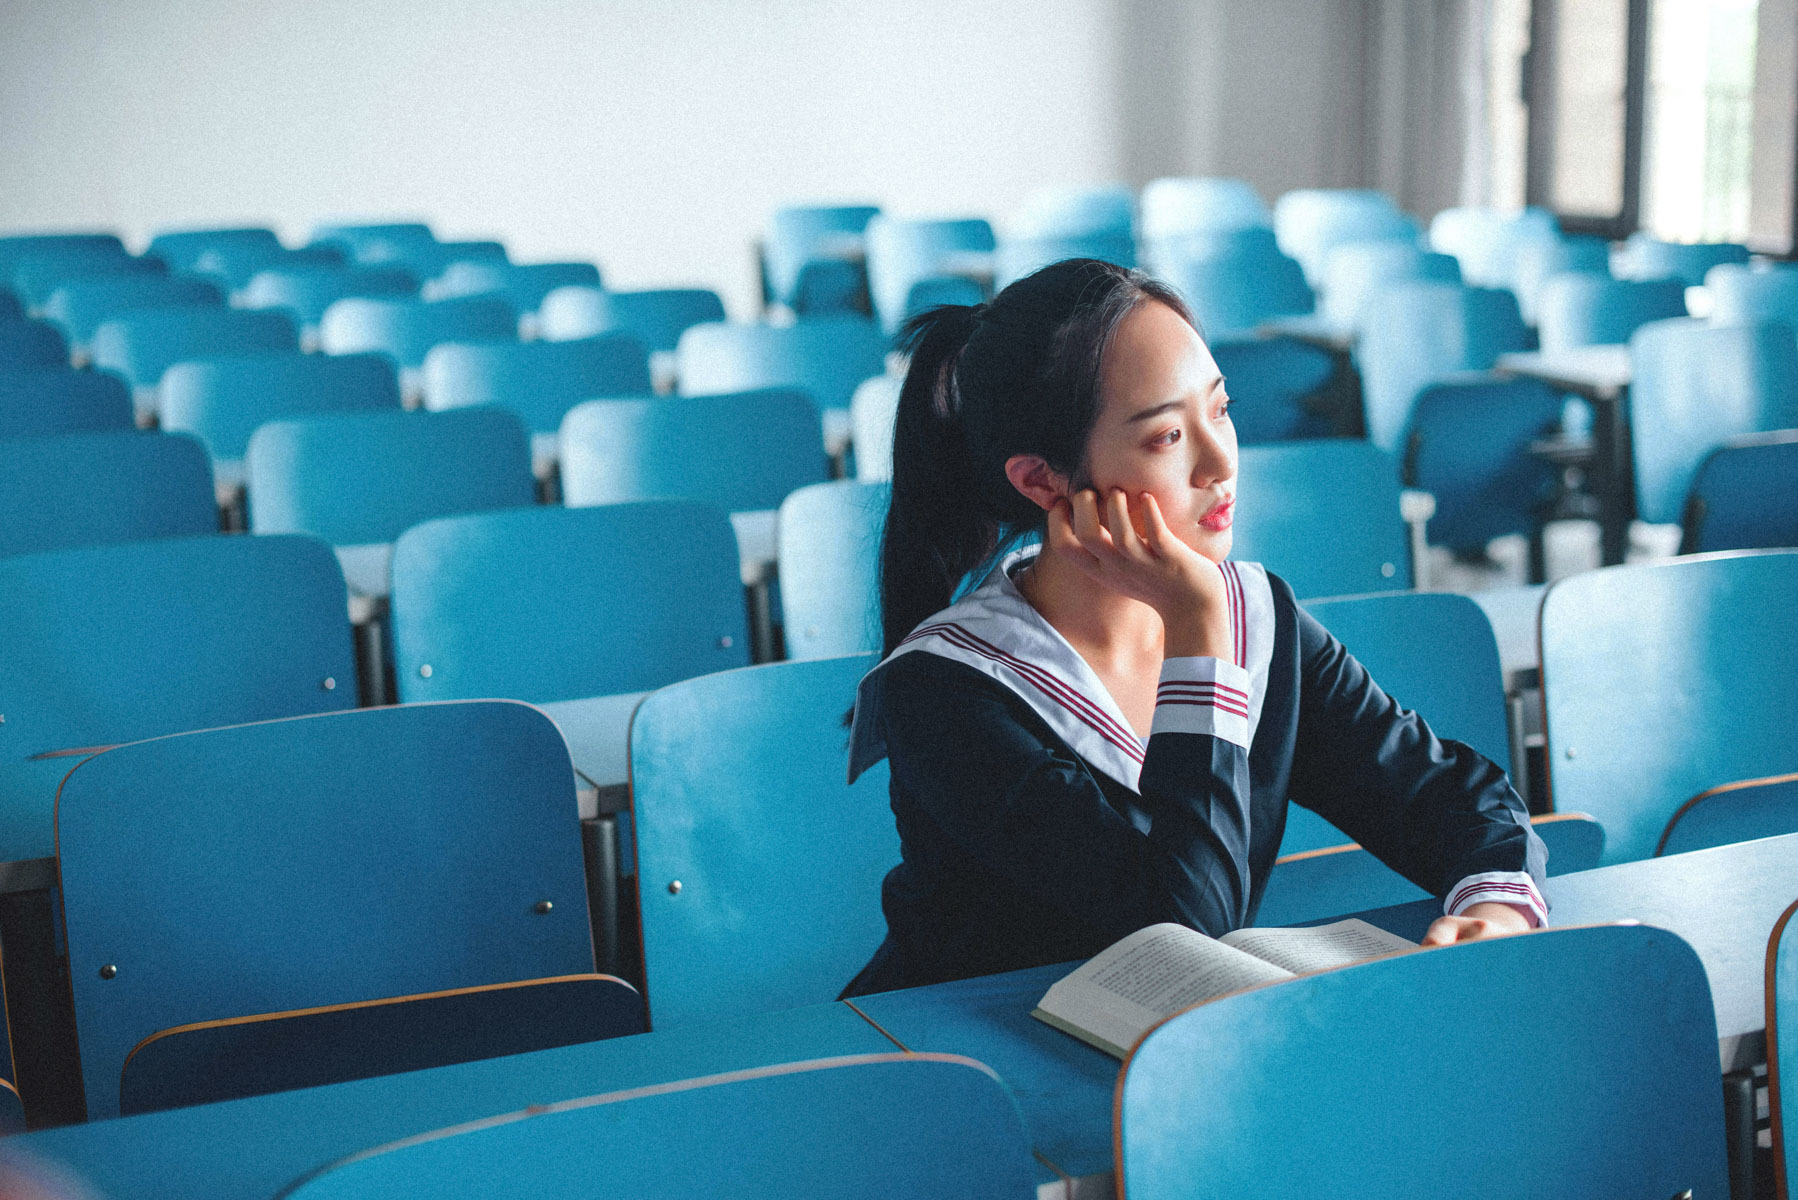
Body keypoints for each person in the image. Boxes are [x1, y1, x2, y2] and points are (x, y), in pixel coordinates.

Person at [841, 259, 1546, 998]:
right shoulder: (949, 689)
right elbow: (1179, 938)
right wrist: (1198, 630)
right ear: (1043, 482)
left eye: (1220, 409)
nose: (1220, 463)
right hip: (962, 1061)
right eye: (1167, 437)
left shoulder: (1259, 619)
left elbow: (1442, 794)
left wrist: (1492, 904)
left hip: (1167, 1060)